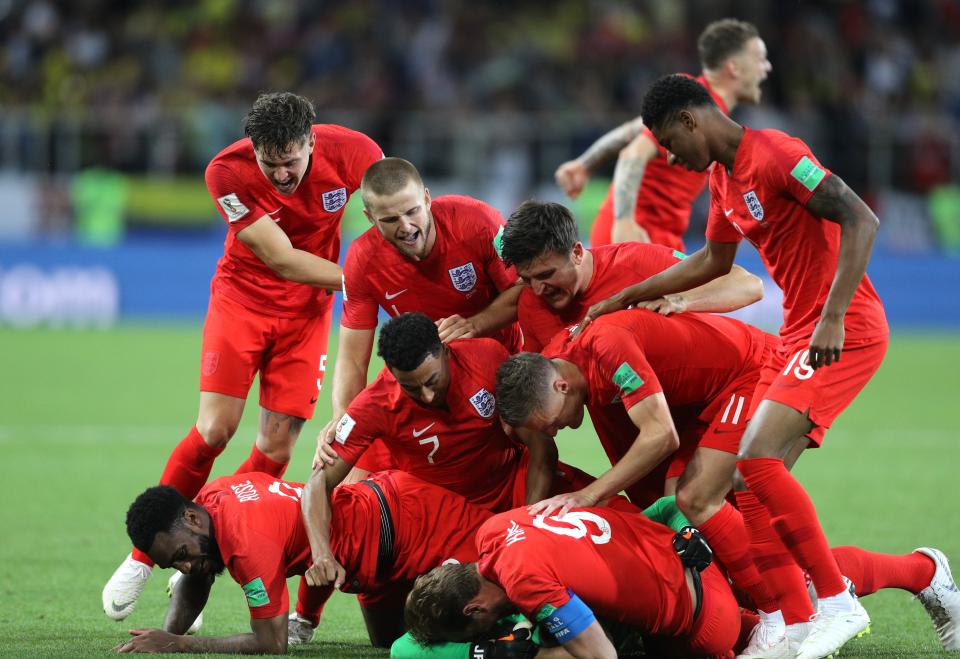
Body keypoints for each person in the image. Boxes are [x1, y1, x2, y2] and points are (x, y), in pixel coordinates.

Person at [576, 74, 890, 659]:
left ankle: (837, 602)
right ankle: (796, 620)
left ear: (694, 119)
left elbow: (861, 219)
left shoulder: (776, 155)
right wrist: (626, 295)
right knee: (747, 484)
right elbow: (712, 261)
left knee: (756, 458)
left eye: (670, 141)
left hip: (843, 330)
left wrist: (834, 316)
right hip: (798, 332)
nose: (670, 156)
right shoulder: (722, 181)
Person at [102, 92, 383, 621]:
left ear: (311, 142)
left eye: (291, 162)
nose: (280, 175)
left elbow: (388, 211)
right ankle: (143, 557)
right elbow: (281, 258)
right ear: (251, 150)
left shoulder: (357, 153)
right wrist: (368, 280)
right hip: (243, 301)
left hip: (307, 316)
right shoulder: (225, 172)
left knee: (275, 451)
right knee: (214, 431)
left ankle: (203, 550)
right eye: (269, 163)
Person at [496, 308, 789, 630]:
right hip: (705, 404)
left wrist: (589, 494)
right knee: (679, 504)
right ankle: (788, 596)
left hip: (752, 372)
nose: (553, 432)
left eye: (551, 424)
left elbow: (662, 435)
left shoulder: (608, 351)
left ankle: (782, 610)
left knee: (697, 498)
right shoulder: (555, 362)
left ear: (562, 387)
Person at [114, 470, 490, 654]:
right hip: (373, 562)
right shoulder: (210, 502)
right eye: (173, 566)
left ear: (192, 519)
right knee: (388, 642)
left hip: (417, 524)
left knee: (478, 606)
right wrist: (167, 635)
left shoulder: (247, 544)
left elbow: (272, 643)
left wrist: (180, 644)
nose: (185, 568)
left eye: (181, 556)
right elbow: (199, 577)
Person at [315, 156, 523, 478]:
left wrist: (475, 324)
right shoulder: (362, 261)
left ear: (427, 198)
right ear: (370, 218)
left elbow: (525, 292)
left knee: (496, 479)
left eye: (412, 211)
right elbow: (353, 359)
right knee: (349, 486)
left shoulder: (476, 221)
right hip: (418, 388)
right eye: (391, 219)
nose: (407, 227)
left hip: (494, 376)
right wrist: (344, 419)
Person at [405, 505, 744, 658]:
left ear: (474, 608)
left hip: (709, 624)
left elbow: (602, 656)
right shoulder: (494, 529)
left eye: (477, 630)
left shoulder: (525, 584)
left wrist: (533, 656)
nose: (487, 631)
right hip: (683, 553)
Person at [554, 19, 770, 248]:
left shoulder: (698, 100)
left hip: (658, 235)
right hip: (637, 233)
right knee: (743, 284)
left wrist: (584, 165)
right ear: (734, 67)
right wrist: (624, 222)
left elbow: (632, 130)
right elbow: (632, 154)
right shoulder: (691, 103)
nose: (767, 67)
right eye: (759, 59)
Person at [499, 200, 763, 353]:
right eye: (527, 279)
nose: (538, 289)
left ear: (577, 252)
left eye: (546, 274)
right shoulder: (531, 306)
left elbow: (748, 284)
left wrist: (680, 300)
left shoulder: (638, 263)